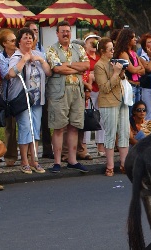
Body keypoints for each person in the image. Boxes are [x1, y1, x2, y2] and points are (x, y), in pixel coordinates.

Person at [45, 21, 90, 173]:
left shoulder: (78, 48)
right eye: (62, 31)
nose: (65, 34)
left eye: (68, 31)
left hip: (77, 91)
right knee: (58, 127)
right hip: (59, 92)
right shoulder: (51, 49)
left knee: (74, 126)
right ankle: (57, 162)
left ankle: (72, 160)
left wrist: (68, 65)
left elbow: (86, 65)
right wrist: (76, 68)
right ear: (57, 33)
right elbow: (57, 68)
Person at [6, 28, 52, 174]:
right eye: (25, 38)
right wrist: (24, 60)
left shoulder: (39, 54)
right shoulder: (16, 56)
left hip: (38, 98)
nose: (28, 40)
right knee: (25, 127)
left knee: (35, 129)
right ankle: (24, 160)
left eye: (30, 38)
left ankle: (35, 160)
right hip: (23, 99)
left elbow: (48, 72)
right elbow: (12, 73)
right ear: (19, 41)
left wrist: (40, 60)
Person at [94, 38, 130, 176]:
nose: (113, 51)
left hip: (121, 101)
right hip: (108, 102)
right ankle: (109, 165)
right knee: (110, 133)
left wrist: (121, 73)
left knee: (124, 132)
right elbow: (104, 88)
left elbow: (121, 82)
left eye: (113, 49)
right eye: (110, 49)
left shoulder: (113, 63)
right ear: (102, 51)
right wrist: (115, 73)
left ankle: (123, 163)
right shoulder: (99, 66)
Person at [0, 29, 19, 167]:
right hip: (8, 97)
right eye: (12, 40)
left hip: (21, 95)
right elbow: (6, 75)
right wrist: (20, 65)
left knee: (24, 125)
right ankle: (10, 155)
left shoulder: (19, 55)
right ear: (4, 43)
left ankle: (27, 155)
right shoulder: (0, 58)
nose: (15, 42)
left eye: (15, 39)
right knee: (10, 127)